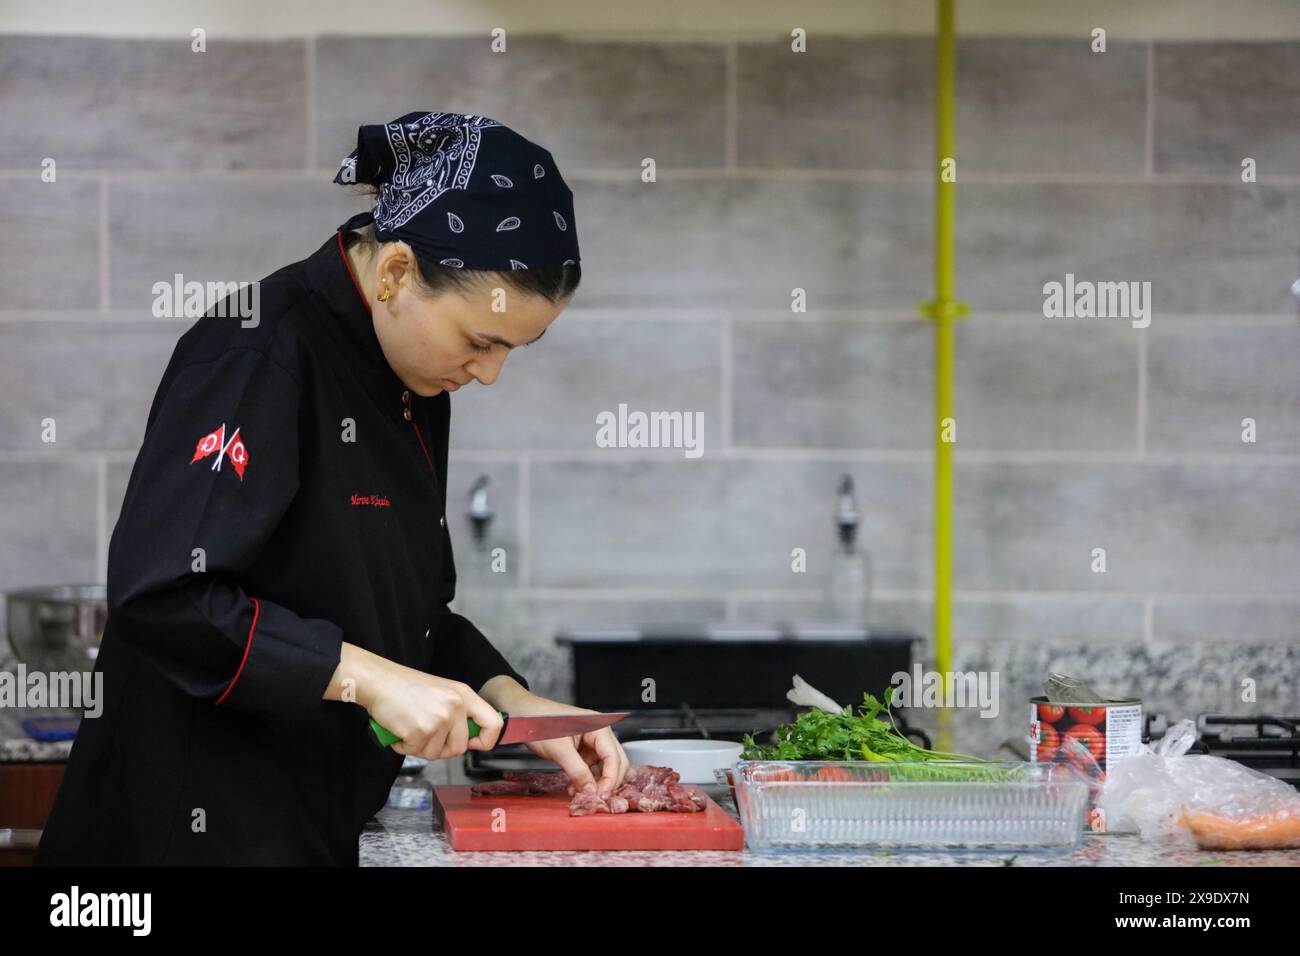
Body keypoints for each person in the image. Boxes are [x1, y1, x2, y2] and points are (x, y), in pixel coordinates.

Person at [36, 111, 628, 866]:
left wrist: (511, 697)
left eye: (514, 350)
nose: (489, 374)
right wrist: (365, 678)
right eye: (480, 342)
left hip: (307, 820)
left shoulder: (412, 380)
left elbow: (406, 611)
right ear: (396, 273)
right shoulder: (258, 353)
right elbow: (164, 593)